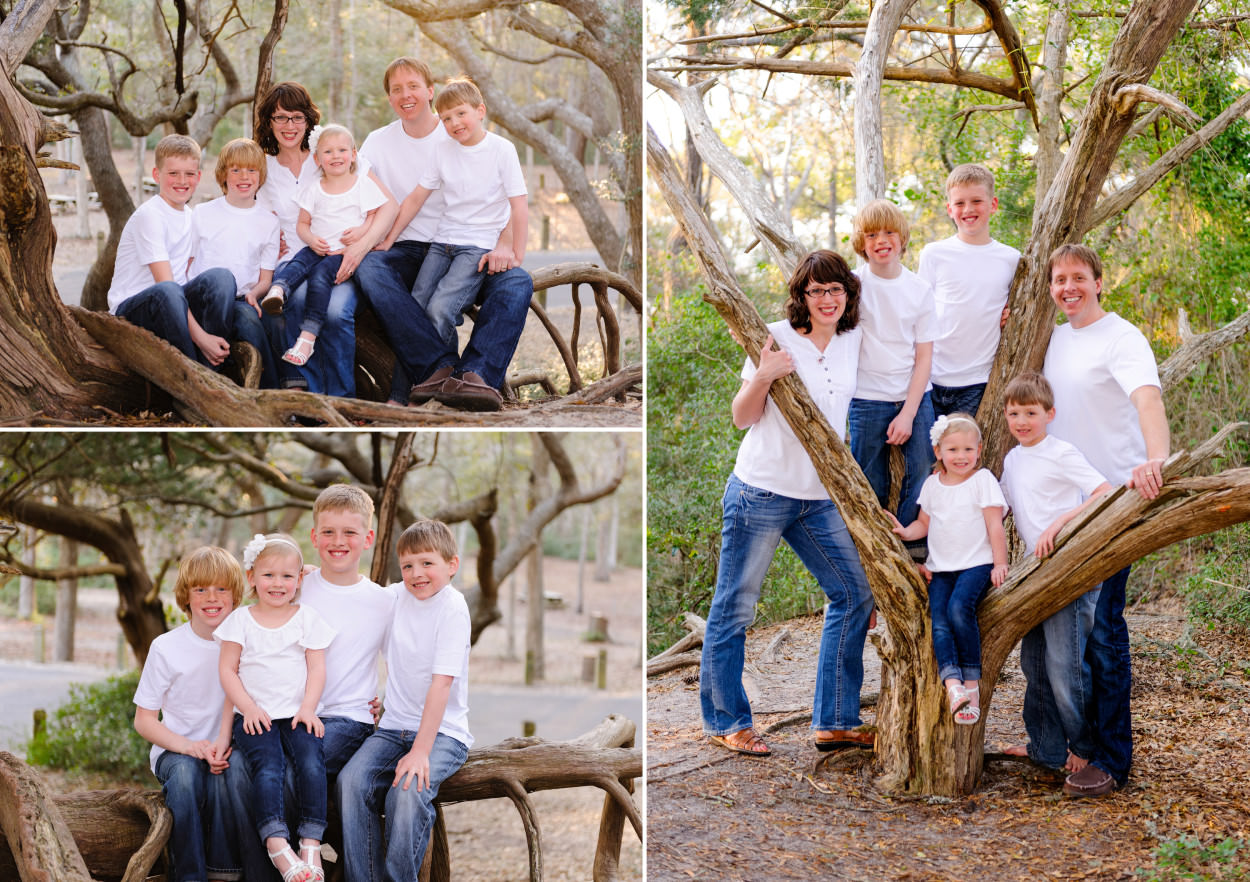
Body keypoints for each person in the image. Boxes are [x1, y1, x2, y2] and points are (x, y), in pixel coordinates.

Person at [699, 250, 875, 757]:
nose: (827, 299)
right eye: (816, 291)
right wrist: (764, 372)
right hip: (761, 490)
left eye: (836, 289)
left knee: (854, 592)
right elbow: (741, 416)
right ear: (801, 296)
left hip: (819, 498)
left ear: (848, 294)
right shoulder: (773, 333)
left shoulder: (851, 339)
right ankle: (727, 721)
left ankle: (836, 720)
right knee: (734, 607)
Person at [1042, 244, 1169, 798]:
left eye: (1078, 278)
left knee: (1103, 634)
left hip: (1112, 501)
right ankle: (1071, 746)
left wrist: (1156, 459)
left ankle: (1113, 760)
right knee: (1059, 635)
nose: (1068, 287)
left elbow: (1146, 399)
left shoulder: (1122, 336)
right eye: (1059, 279)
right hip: (1058, 508)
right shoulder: (1053, 337)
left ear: (1099, 281)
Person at [355, 57, 534, 413]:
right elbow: (379, 194)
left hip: (478, 248)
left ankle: (477, 378)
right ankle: (436, 372)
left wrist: (508, 247)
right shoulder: (380, 142)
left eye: (413, 87)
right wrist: (380, 239)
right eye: (396, 89)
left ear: (430, 91)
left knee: (517, 283)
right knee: (374, 270)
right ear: (389, 97)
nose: (406, 95)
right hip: (421, 248)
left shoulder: (468, 130)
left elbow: (515, 201)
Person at [337, 519, 473, 881]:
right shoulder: (396, 597)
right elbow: (355, 591)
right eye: (408, 566)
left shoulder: (453, 609)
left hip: (443, 734)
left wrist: (420, 752)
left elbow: (441, 685)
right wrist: (309, 571)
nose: (417, 574)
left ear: (452, 565)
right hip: (393, 728)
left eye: (427, 563)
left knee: (407, 793)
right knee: (351, 783)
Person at [998, 371, 1112, 775]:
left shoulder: (1061, 452)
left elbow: (1103, 493)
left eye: (1031, 412)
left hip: (1069, 571)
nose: (1022, 421)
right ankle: (1045, 749)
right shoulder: (1012, 460)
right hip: (1035, 574)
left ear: (1050, 413)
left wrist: (1059, 524)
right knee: (1036, 665)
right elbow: (1001, 508)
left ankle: (1083, 747)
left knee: (1065, 667)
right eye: (1014, 413)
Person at [254, 83, 395, 397]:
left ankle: (342, 397)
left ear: (308, 121)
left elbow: (388, 207)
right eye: (280, 118)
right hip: (295, 260)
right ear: (269, 122)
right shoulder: (264, 167)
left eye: (296, 117)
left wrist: (361, 245)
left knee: (334, 312)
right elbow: (258, 217)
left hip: (345, 259)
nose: (289, 126)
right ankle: (311, 395)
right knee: (294, 300)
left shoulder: (334, 152)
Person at [216, 534, 336, 882]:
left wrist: (310, 708)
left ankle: (311, 842)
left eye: (287, 576)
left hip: (298, 714)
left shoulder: (306, 617)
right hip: (257, 718)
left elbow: (317, 667)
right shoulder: (240, 620)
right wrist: (249, 708)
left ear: (300, 580)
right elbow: (227, 670)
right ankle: (276, 843)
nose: (278, 584)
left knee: (312, 765)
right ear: (251, 577)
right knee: (268, 768)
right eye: (268, 575)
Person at [383, 76, 528, 353]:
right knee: (416, 303)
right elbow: (415, 199)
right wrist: (389, 239)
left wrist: (515, 253)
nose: (455, 123)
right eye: (446, 118)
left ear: (480, 111)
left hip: (476, 247)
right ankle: (442, 371)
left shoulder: (501, 150)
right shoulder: (442, 150)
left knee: (441, 309)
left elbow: (519, 204)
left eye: (461, 113)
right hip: (442, 243)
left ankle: (431, 374)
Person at [133, 547, 246, 882]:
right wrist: (189, 746)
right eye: (200, 589)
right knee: (185, 777)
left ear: (235, 594)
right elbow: (144, 720)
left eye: (221, 588)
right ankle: (190, 875)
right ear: (186, 596)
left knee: (229, 773)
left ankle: (225, 872)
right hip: (176, 750)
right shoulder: (166, 647)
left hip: (228, 746)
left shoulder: (247, 642)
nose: (212, 598)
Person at [888, 413, 1008, 725]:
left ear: (979, 450)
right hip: (941, 569)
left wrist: (1000, 563)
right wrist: (904, 532)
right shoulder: (931, 485)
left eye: (968, 449)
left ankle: (972, 684)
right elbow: (924, 525)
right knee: (938, 622)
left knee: (958, 609)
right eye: (953, 450)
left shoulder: (983, 481)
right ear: (939, 451)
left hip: (977, 564)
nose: (961, 456)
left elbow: (995, 526)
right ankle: (952, 685)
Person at [107, 134, 254, 376]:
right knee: (170, 290)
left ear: (198, 176)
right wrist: (201, 337)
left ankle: (213, 370)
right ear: (157, 175)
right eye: (173, 173)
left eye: (189, 174)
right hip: (134, 309)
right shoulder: (150, 216)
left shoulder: (190, 216)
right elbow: (165, 282)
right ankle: (192, 377)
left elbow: (218, 251)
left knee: (221, 278)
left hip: (175, 306)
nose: (182, 181)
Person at [848, 199, 938, 531]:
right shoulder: (851, 286)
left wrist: (908, 413)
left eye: (889, 232)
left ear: (902, 237)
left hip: (912, 394)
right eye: (871, 235)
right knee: (869, 475)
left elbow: (924, 356)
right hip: (867, 397)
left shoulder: (919, 289)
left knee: (925, 464)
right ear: (861, 244)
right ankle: (876, 539)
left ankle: (906, 536)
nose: (881, 240)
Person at [917, 163, 1020, 417]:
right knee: (926, 457)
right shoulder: (934, 254)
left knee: (966, 455)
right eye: (960, 203)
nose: (968, 209)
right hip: (931, 378)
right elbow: (919, 312)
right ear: (949, 209)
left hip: (978, 381)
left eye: (977, 201)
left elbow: (1014, 308)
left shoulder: (1010, 259)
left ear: (993, 204)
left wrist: (1008, 317)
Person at [188, 138, 286, 389]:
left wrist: (254, 294)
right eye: (236, 170)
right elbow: (186, 264)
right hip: (204, 299)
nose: (244, 176)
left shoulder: (269, 222)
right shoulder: (202, 213)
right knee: (221, 278)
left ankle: (272, 398)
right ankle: (210, 378)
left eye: (251, 170)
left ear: (260, 176)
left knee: (253, 327)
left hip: (241, 300)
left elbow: (265, 279)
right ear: (223, 175)